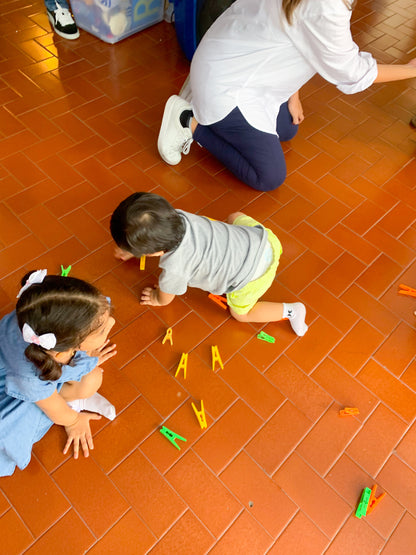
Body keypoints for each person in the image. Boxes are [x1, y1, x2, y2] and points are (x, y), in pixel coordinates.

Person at [158, 0, 416, 192]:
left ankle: (203, 104)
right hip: (229, 85)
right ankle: (189, 122)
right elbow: (350, 72)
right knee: (268, 176)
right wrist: (409, 69)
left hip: (227, 61)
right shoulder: (327, 6)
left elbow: (289, 32)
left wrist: (293, 95)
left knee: (287, 129)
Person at [110, 192, 308, 335]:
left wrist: (156, 297)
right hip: (266, 242)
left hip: (254, 277)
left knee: (241, 314)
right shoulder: (177, 216)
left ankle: (292, 311)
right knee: (233, 216)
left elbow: (166, 298)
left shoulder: (174, 268)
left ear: (153, 252)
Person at [0, 271, 116, 477]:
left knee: (90, 377)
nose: (112, 322)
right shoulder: (30, 377)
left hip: (27, 373)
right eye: (101, 330)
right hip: (16, 392)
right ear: (63, 351)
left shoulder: (34, 319)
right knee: (92, 380)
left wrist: (87, 353)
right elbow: (53, 408)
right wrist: (73, 421)